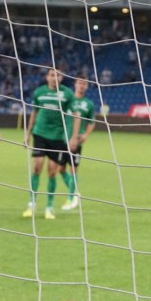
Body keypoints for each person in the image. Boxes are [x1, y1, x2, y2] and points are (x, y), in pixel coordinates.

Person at [23, 68, 80, 220]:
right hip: (40, 134)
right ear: (47, 77)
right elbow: (34, 113)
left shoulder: (67, 94)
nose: (55, 78)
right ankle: (31, 203)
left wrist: (74, 137)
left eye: (58, 75)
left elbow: (76, 115)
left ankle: (49, 206)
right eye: (52, 75)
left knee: (52, 171)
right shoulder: (39, 92)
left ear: (61, 78)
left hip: (57, 137)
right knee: (37, 167)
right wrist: (27, 133)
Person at [60, 78, 96, 211]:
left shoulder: (88, 104)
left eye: (84, 84)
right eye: (79, 83)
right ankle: (75, 193)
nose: (81, 86)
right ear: (75, 84)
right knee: (60, 169)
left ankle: (70, 199)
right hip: (62, 138)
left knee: (73, 168)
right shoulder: (68, 101)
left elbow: (92, 122)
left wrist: (85, 135)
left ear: (87, 86)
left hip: (76, 141)